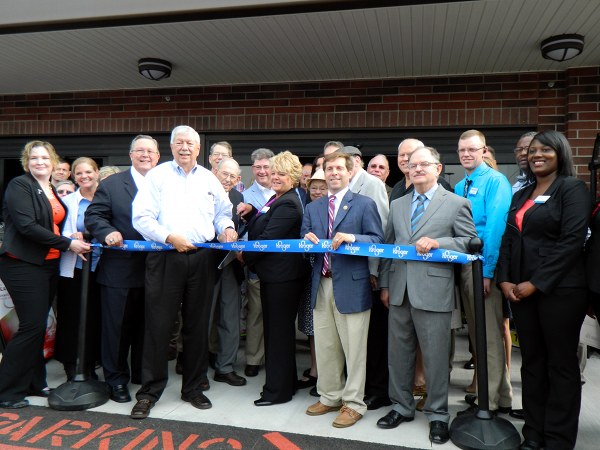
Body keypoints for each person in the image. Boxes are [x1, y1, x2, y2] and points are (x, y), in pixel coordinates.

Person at [130, 125, 236, 419]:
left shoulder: (209, 179)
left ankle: (192, 388)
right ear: (172, 146)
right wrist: (168, 237)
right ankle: (149, 393)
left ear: (199, 148)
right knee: (158, 327)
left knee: (197, 326)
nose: (185, 147)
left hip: (202, 257)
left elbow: (223, 212)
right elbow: (141, 217)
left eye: (190, 143)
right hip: (165, 256)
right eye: (179, 142)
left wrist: (226, 228)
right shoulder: (158, 175)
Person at [378, 147, 477, 444]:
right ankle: (401, 406)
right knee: (398, 354)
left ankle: (437, 414)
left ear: (438, 168)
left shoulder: (457, 203)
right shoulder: (398, 204)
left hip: (434, 290)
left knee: (434, 357)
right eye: (411, 164)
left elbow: (468, 242)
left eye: (424, 164)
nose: (416, 168)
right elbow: (388, 247)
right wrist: (385, 284)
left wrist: (439, 242)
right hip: (398, 289)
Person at [497, 130, 590, 450]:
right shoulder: (522, 194)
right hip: (521, 292)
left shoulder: (573, 189)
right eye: (532, 150)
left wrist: (536, 283)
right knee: (532, 363)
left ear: (560, 153)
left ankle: (558, 439)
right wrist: (505, 280)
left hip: (560, 292)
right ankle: (533, 434)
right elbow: (509, 238)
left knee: (560, 366)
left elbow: (571, 242)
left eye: (545, 150)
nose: (537, 155)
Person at [0, 141, 90, 409]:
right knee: (31, 326)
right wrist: (67, 244)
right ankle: (6, 391)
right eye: (34, 158)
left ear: (53, 162)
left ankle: (35, 382)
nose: (40, 162)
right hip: (22, 264)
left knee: (39, 325)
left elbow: (55, 223)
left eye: (45, 158)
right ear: (27, 162)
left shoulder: (51, 189)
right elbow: (27, 226)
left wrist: (71, 234)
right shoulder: (20, 185)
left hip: (48, 264)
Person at [302, 152, 384, 428]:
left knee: (354, 348)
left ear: (350, 172)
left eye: (339, 168)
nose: (334, 172)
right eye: (329, 168)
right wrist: (306, 242)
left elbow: (377, 240)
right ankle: (329, 396)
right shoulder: (314, 207)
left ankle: (353, 403)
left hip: (352, 285)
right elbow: (304, 248)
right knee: (326, 345)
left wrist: (353, 237)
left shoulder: (363, 204)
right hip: (321, 283)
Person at [85, 135, 160, 403]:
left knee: (148, 328)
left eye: (150, 151)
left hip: (157, 271)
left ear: (158, 156)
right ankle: (116, 380)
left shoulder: (165, 185)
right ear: (130, 155)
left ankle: (142, 373)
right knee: (116, 329)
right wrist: (108, 232)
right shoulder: (113, 184)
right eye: (139, 150)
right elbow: (94, 216)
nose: (145, 155)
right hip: (119, 270)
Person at [241, 151, 308, 406]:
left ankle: (276, 392)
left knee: (277, 334)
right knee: (277, 333)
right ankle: (286, 384)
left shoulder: (288, 203)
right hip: (276, 277)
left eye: (282, 173)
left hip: (283, 279)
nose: (275, 177)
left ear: (292, 177)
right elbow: (264, 224)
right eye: (274, 172)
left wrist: (242, 256)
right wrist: (251, 213)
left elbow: (267, 240)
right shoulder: (276, 199)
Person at [454, 130, 514, 415]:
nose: (467, 154)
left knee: (489, 335)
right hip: (464, 266)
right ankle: (499, 397)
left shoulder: (495, 181)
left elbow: (495, 228)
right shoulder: (460, 186)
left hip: (482, 267)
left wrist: (487, 272)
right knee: (478, 334)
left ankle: (486, 404)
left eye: (472, 149)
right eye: (462, 150)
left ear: (484, 150)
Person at [339, 145, 391, 411]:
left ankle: (377, 390)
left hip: (368, 274)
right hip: (347, 274)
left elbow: (379, 230)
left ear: (356, 162)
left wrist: (375, 272)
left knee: (375, 336)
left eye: (343, 163)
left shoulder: (371, 184)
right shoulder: (338, 187)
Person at [55, 157, 102, 381]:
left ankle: (90, 364)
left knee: (95, 318)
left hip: (101, 268)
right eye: (79, 173)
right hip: (74, 268)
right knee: (70, 317)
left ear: (97, 172)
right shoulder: (68, 201)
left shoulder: (105, 198)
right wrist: (71, 238)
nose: (84, 177)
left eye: (88, 172)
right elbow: (56, 231)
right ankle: (70, 366)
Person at [209, 157, 246, 387]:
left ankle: (225, 367)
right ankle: (197, 368)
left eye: (233, 176)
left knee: (230, 318)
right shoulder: (202, 191)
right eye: (225, 174)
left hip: (230, 266)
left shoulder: (238, 197)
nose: (228, 180)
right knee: (202, 319)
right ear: (215, 171)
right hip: (203, 264)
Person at [239, 148, 275, 378]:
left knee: (278, 314)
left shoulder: (284, 191)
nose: (262, 171)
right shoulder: (245, 196)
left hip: (281, 263)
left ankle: (274, 356)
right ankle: (253, 358)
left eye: (266, 167)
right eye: (258, 167)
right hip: (255, 264)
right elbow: (241, 229)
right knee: (256, 313)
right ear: (253, 169)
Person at [297, 169, 327, 390]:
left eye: (322, 187)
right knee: (312, 327)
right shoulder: (309, 209)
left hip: (335, 276)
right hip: (312, 274)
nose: (317, 191)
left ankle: (330, 375)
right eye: (313, 187)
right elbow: (302, 236)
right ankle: (316, 370)